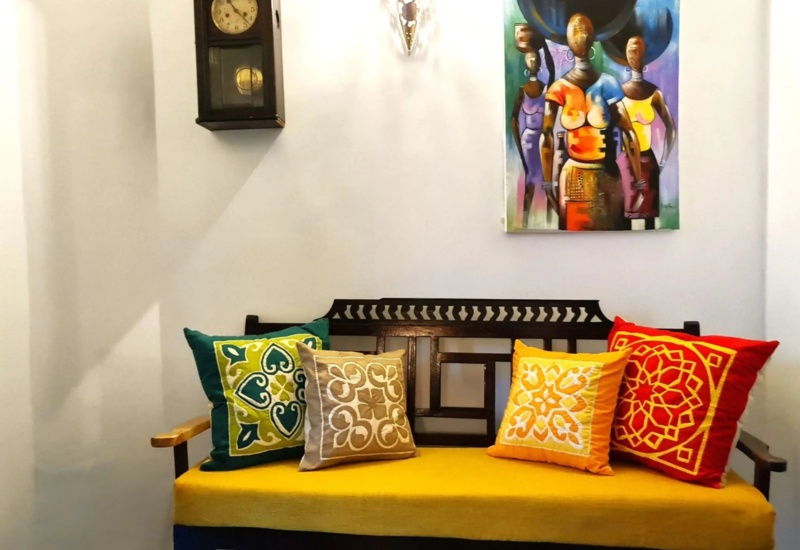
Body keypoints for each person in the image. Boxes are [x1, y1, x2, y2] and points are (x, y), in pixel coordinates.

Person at [540, 13, 644, 231]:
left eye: (583, 34)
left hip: (606, 176)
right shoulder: (559, 89)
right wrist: (548, 182)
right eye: (576, 35)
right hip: (573, 177)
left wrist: (637, 179)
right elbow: (546, 136)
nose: (580, 39)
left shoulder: (608, 84)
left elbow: (629, 133)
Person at [618, 36, 677, 229]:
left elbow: (671, 127)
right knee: (626, 216)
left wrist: (662, 161)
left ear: (645, 54)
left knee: (650, 219)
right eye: (630, 50)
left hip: (648, 161)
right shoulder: (618, 93)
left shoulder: (654, 92)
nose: (634, 54)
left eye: (638, 50)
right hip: (626, 162)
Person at [511, 25, 554, 228]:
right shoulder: (523, 90)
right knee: (531, 179)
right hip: (528, 142)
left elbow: (552, 69)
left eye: (536, 58)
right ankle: (525, 220)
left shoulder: (547, 88)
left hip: (543, 140)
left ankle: (548, 221)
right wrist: (520, 148)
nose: (534, 61)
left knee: (547, 180)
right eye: (530, 59)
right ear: (526, 64)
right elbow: (513, 120)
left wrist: (544, 45)